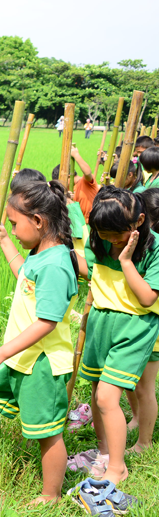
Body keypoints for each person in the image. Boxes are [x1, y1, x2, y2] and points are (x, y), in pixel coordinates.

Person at [0, 180, 79, 504]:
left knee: (46, 433)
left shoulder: (57, 265)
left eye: (16, 224)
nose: (15, 230)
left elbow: (47, 322)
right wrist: (5, 242)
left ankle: (50, 495)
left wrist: (0, 352)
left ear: (39, 221)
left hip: (40, 364)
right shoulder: (40, 254)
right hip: (17, 357)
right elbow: (25, 278)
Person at [73, 187, 159, 485]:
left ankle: (118, 467)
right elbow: (92, 273)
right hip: (101, 322)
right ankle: (105, 453)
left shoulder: (154, 247)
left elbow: (148, 298)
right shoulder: (97, 239)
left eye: (116, 234)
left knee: (109, 398)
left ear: (138, 221)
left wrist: (125, 261)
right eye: (104, 234)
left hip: (135, 325)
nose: (110, 240)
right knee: (98, 396)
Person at [127, 186, 159, 452]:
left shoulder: (154, 245)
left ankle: (145, 443)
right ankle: (137, 419)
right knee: (136, 383)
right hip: (140, 322)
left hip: (152, 326)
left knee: (146, 387)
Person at [52, 146, 98, 222]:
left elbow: (87, 172)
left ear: (68, 177)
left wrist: (76, 155)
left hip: (91, 223)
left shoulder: (85, 182)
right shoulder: (68, 190)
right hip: (79, 225)